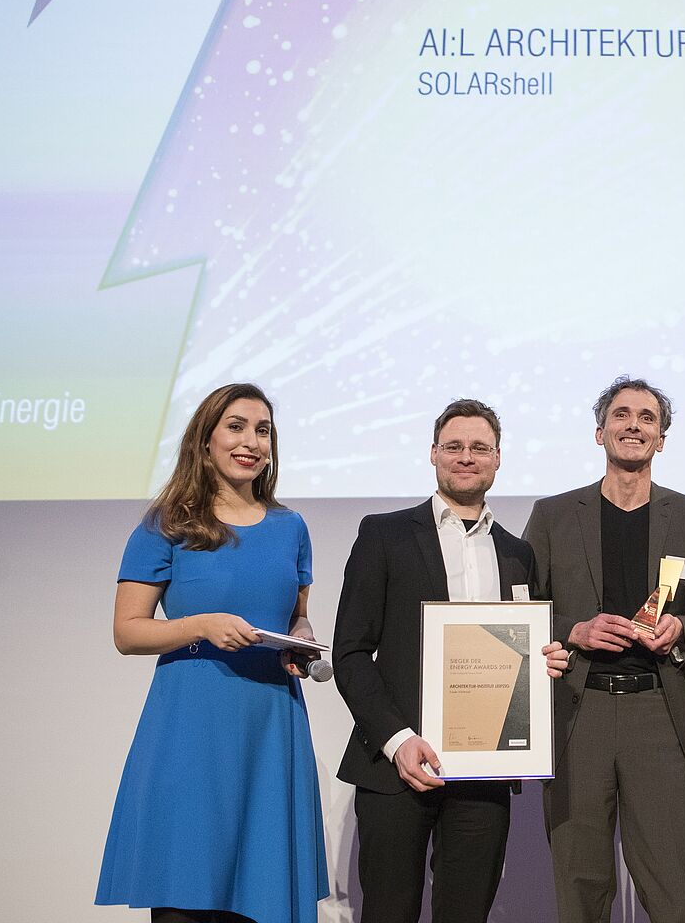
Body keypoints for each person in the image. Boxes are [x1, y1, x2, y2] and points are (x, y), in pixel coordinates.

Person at [95, 383, 329, 923]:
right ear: (205, 442)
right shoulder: (166, 525)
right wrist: (201, 625)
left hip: (270, 722)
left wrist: (301, 640)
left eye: (263, 430)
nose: (252, 441)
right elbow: (127, 631)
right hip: (191, 724)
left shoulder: (290, 527)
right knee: (187, 887)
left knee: (264, 889)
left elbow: (296, 614)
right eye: (237, 426)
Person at [524, 376, 685, 923]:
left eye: (647, 418)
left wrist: (681, 630)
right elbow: (521, 612)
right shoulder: (553, 516)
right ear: (599, 432)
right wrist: (575, 631)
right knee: (580, 883)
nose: (633, 424)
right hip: (577, 714)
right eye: (621, 414)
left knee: (679, 887)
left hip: (658, 711)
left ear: (661, 438)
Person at [332, 399, 537, 923]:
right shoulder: (385, 534)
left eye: (479, 448)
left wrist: (542, 662)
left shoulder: (518, 553)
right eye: (454, 446)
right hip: (397, 767)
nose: (466, 457)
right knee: (389, 913)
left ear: (497, 460)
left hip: (484, 773)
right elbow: (351, 652)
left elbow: (521, 657)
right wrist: (399, 740)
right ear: (433, 454)